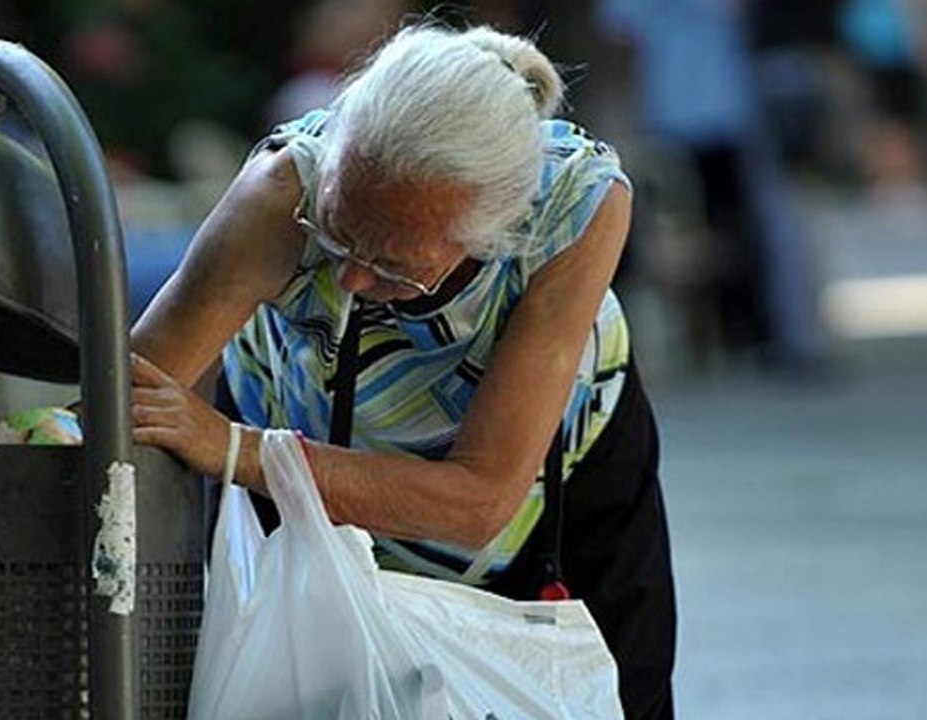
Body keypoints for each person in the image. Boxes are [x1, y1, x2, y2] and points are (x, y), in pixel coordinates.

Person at [129, 21, 676, 719]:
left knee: (614, 695)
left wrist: (234, 449)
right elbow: (130, 397)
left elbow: (476, 503)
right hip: (299, 422)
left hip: (548, 472)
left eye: (392, 265)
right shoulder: (281, 192)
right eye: (337, 232)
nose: (352, 280)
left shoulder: (576, 206)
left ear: (493, 235)